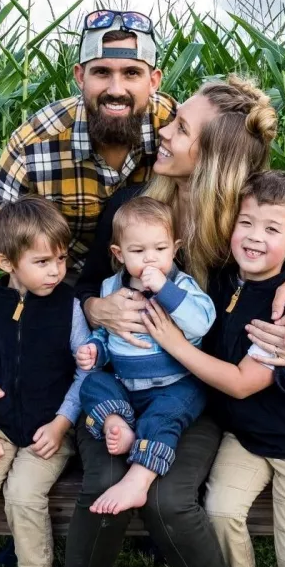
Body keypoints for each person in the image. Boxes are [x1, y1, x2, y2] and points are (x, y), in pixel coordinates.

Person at [66, 76, 285, 567]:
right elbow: (84, 284)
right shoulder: (136, 208)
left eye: (182, 128)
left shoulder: (240, 221)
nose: (164, 131)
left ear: (211, 159)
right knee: (104, 472)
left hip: (197, 392)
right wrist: (98, 308)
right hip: (126, 378)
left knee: (175, 495)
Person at [0, 10, 176, 448]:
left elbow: (259, 194)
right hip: (58, 305)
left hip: (151, 297)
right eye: (101, 72)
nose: (116, 88)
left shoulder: (177, 130)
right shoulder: (37, 140)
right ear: (79, 76)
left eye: (132, 72)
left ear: (154, 79)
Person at [143, 170, 285, 567]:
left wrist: (174, 344)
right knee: (220, 511)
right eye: (246, 223)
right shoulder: (221, 279)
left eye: (272, 229)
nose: (253, 237)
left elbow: (239, 382)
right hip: (246, 437)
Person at [0, 197, 93, 567]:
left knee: (24, 496)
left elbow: (86, 372)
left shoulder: (69, 307)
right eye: (43, 262)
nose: (56, 271)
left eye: (61, 260)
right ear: (7, 263)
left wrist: (62, 422)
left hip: (49, 430)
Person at [76, 197, 215, 514]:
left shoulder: (181, 285)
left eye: (160, 249)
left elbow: (202, 322)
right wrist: (94, 350)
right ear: (118, 253)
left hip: (175, 383)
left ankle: (139, 479)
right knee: (93, 383)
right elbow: (105, 332)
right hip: (127, 384)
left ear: (175, 249)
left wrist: (164, 289)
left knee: (164, 415)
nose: (150, 259)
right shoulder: (111, 285)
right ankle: (117, 422)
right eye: (138, 252)